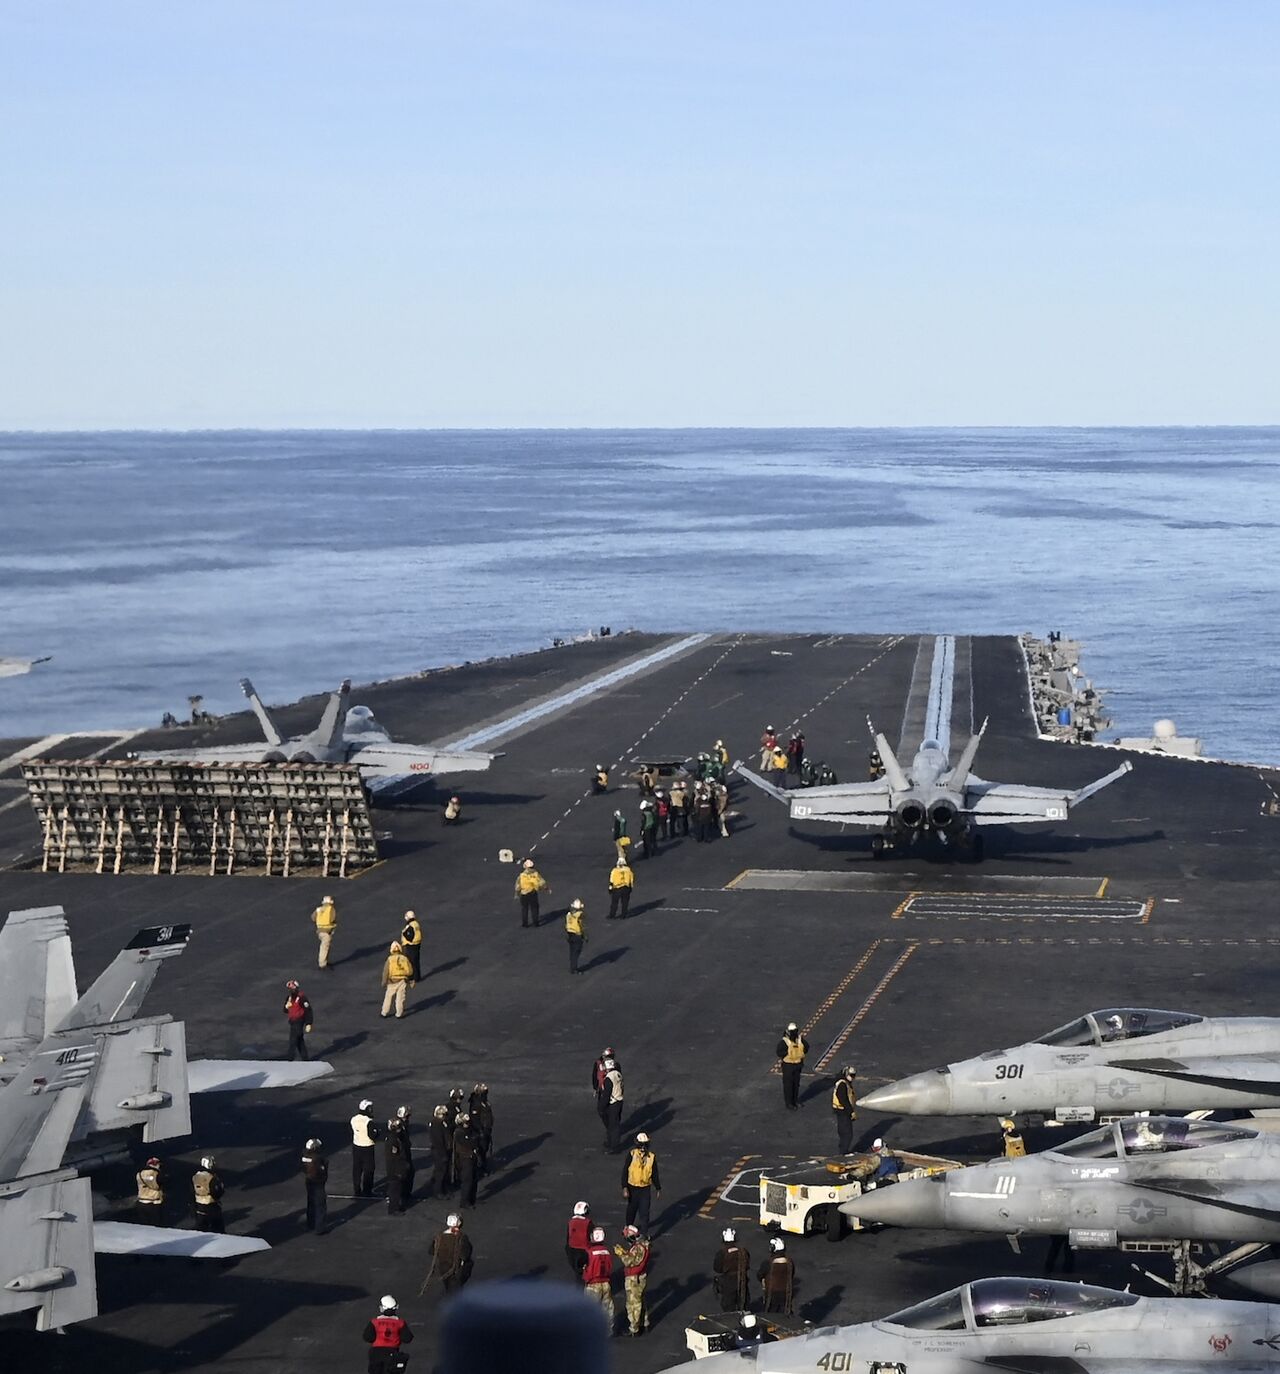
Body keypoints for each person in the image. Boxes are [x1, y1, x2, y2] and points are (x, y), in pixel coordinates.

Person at [614, 1224, 651, 1337]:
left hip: (634, 1278)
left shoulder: (639, 1248)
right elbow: (634, 1258)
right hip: (641, 1277)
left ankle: (634, 1328)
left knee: (633, 1303)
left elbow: (630, 1262)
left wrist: (621, 1255)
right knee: (641, 1300)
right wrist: (626, 1252)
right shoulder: (642, 1245)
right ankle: (644, 1323)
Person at [424, 1213, 474, 1294]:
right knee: (456, 1290)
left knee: (448, 1287)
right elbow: (465, 1255)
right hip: (456, 1269)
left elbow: (431, 1251)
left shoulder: (439, 1237)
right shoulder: (461, 1237)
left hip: (443, 1268)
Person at [363, 1294, 413, 1373]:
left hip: (376, 1353)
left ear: (382, 1308)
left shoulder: (374, 1322)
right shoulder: (400, 1323)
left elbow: (367, 1337)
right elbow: (407, 1338)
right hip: (392, 1353)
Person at [622, 1132, 661, 1232]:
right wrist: (624, 1187)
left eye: (645, 1145)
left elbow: (654, 1173)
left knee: (644, 1212)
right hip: (632, 1187)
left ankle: (644, 1234)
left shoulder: (651, 1157)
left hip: (645, 1188)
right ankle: (628, 1228)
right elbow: (625, 1171)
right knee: (631, 1209)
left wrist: (658, 1188)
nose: (643, 1148)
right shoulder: (632, 1154)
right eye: (641, 1145)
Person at [581, 1225, 615, 1331]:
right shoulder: (607, 1252)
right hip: (605, 1283)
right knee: (607, 1309)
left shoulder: (589, 1252)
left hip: (593, 1284)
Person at [713, 1227, 750, 1311]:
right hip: (742, 1280)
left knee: (728, 1306)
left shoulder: (721, 1253)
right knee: (744, 1304)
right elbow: (747, 1265)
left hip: (728, 1283)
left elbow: (717, 1269)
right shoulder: (743, 1251)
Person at [385, 1109, 413, 1214]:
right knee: (394, 1189)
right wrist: (400, 1169)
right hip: (394, 1169)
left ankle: (396, 1206)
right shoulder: (393, 1140)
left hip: (397, 1168)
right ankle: (393, 1208)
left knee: (397, 1188)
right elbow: (394, 1157)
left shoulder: (395, 1138)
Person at [758, 1236, 795, 1315]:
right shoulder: (790, 1262)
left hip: (772, 1293)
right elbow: (791, 1274)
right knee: (785, 1313)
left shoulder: (768, 1263)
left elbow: (760, 1275)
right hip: (786, 1292)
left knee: (771, 1313)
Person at [776, 1021, 809, 1110]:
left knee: (796, 1084)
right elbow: (779, 1052)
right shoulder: (785, 1041)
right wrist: (789, 1053)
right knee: (788, 1085)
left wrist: (798, 1053)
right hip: (788, 1066)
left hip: (797, 1064)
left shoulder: (799, 1039)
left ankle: (795, 1100)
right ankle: (789, 1103)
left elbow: (806, 1047)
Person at [351, 1099, 380, 1198]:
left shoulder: (354, 1119)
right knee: (369, 1169)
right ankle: (367, 1190)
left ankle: (356, 1189)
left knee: (357, 1169)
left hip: (356, 1146)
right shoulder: (368, 1121)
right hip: (367, 1146)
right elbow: (372, 1135)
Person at [453, 1110, 481, 1208]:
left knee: (474, 1179)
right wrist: (473, 1140)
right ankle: (464, 1201)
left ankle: (471, 1199)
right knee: (467, 1180)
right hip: (465, 1158)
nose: (467, 1124)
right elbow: (470, 1143)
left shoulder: (470, 1130)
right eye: (465, 1123)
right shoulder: (459, 1132)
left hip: (471, 1157)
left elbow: (476, 1139)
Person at [191, 1154, 225, 1232]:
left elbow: (192, 1191)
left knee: (201, 1227)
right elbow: (216, 1191)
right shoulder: (211, 1177)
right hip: (211, 1204)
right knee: (218, 1227)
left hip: (199, 1204)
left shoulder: (196, 1176)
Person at [380, 941, 414, 1018]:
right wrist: (411, 980)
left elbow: (386, 972)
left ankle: (384, 1012)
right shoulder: (404, 958)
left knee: (388, 997)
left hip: (392, 981)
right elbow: (410, 970)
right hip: (402, 980)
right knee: (400, 998)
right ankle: (399, 1013)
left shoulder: (390, 959)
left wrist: (384, 982)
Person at [301, 1137, 328, 1234]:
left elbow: (303, 1168)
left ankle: (310, 1224)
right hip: (318, 1182)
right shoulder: (318, 1158)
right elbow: (323, 1169)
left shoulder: (304, 1156)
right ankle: (320, 1228)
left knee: (311, 1202)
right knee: (320, 1205)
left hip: (309, 1180)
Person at [514, 858, 549, 928]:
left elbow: (518, 885)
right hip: (533, 893)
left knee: (524, 909)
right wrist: (546, 888)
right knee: (534, 908)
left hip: (524, 894)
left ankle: (525, 923)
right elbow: (542, 882)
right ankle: (536, 923)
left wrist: (516, 894)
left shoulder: (522, 875)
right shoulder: (535, 874)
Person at [600, 1057, 624, 1152]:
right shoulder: (618, 1074)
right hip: (619, 1101)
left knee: (613, 1125)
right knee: (614, 1124)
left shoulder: (609, 1078)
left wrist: (601, 1107)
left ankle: (614, 1146)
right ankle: (611, 1142)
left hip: (613, 1103)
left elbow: (606, 1094)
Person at [283, 980, 312, 1061]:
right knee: (299, 1041)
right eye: (290, 989)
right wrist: (286, 1007)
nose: (291, 990)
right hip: (292, 1022)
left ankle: (289, 1059)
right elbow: (285, 1010)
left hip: (299, 1021)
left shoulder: (301, 997)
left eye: (293, 988)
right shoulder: (289, 998)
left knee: (293, 1040)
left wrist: (309, 1023)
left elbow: (308, 1010)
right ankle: (305, 1059)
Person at [832, 1067, 857, 1154]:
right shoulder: (843, 1084)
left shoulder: (844, 1083)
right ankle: (843, 1152)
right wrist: (851, 1111)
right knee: (847, 1134)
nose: (853, 1077)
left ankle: (843, 1150)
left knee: (843, 1132)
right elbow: (843, 1099)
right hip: (843, 1112)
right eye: (851, 1075)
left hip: (842, 1111)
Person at [469, 1083, 494, 1173]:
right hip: (480, 1131)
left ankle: (483, 1165)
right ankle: (480, 1168)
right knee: (480, 1150)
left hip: (486, 1129)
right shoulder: (476, 1102)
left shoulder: (485, 1101)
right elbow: (474, 1118)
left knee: (484, 1148)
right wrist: (480, 1130)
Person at [429, 1103, 452, 1197]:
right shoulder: (436, 1124)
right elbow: (438, 1141)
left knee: (444, 1171)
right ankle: (438, 1191)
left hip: (443, 1151)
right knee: (440, 1172)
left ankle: (442, 1189)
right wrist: (443, 1154)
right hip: (439, 1152)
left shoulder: (442, 1123)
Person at [565, 1200, 592, 1276]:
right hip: (585, 1249)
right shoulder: (588, 1222)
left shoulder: (571, 1222)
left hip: (572, 1249)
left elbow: (568, 1237)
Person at [135, 1156, 165, 1224]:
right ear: (155, 1165)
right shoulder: (156, 1174)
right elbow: (160, 1184)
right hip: (154, 1202)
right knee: (156, 1225)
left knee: (145, 1226)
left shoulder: (139, 1174)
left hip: (141, 1202)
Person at [311, 895, 338, 969]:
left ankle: (324, 961)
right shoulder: (331, 909)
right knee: (324, 946)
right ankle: (322, 963)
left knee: (325, 946)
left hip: (319, 931)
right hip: (327, 931)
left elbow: (313, 918)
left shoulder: (318, 909)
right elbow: (333, 919)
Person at [399, 911, 423, 986]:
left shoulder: (410, 926)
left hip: (410, 946)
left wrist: (404, 933)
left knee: (410, 962)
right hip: (417, 945)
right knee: (416, 961)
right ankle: (417, 977)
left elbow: (409, 937)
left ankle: (411, 977)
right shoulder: (416, 924)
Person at [565, 898, 587, 974]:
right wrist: (585, 936)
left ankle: (572, 967)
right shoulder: (579, 915)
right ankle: (574, 968)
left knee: (572, 952)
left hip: (570, 934)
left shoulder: (568, 915)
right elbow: (582, 923)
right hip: (577, 935)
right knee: (576, 952)